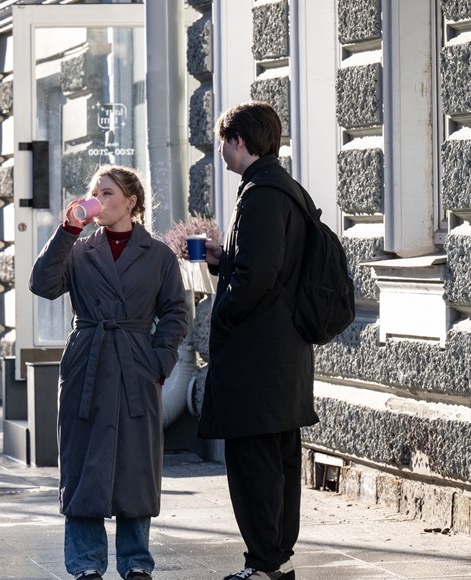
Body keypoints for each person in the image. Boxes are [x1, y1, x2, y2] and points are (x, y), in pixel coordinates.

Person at [30, 165, 189, 580]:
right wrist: (66, 231)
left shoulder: (157, 254)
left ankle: (136, 562)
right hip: (89, 361)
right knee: (84, 464)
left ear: (130, 202)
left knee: (136, 466)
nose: (97, 199)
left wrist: (160, 361)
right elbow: (42, 284)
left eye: (107, 192)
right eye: (94, 192)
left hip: (136, 363)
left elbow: (175, 312)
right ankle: (86, 564)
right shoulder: (80, 250)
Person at [197, 102, 319, 580]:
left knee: (254, 463)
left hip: (258, 355)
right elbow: (269, 265)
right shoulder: (285, 189)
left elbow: (259, 275)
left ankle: (264, 563)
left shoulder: (261, 193)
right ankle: (275, 560)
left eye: (223, 143)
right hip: (283, 352)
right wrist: (223, 258)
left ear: (239, 141)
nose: (222, 153)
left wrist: (222, 314)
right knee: (279, 461)